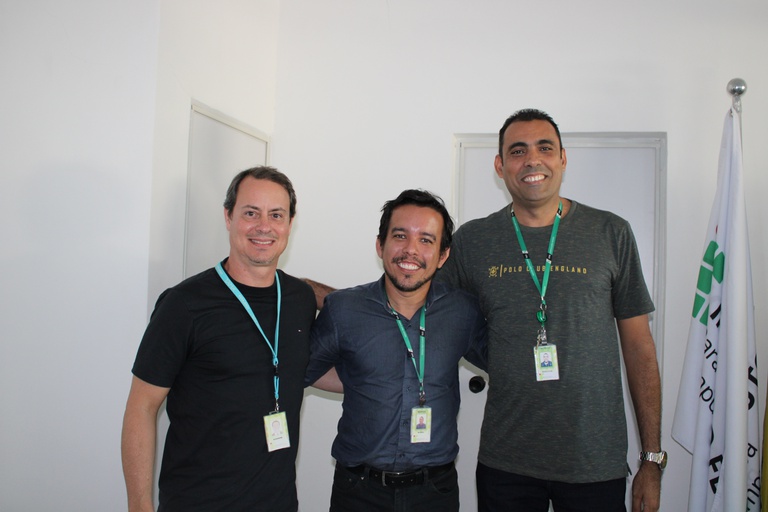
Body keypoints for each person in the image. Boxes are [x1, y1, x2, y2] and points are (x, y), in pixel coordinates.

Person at [438, 109, 664, 512]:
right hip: (506, 462)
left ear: (562, 158)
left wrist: (651, 459)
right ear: (500, 166)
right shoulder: (473, 241)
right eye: (518, 151)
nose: (532, 160)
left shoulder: (610, 233)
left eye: (544, 148)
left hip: (594, 461)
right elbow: (427, 312)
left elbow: (639, 348)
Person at [121, 166, 316, 512]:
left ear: (290, 223)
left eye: (276, 215)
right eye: (251, 213)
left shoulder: (299, 299)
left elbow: (306, 365)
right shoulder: (184, 304)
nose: (264, 226)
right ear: (228, 216)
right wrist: (139, 506)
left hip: (278, 502)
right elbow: (142, 406)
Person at [305, 189, 488, 512]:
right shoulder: (344, 310)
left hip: (434, 492)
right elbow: (299, 371)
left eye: (426, 240)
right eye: (400, 236)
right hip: (358, 491)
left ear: (443, 255)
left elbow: (507, 362)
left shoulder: (463, 312)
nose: (411, 250)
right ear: (380, 245)